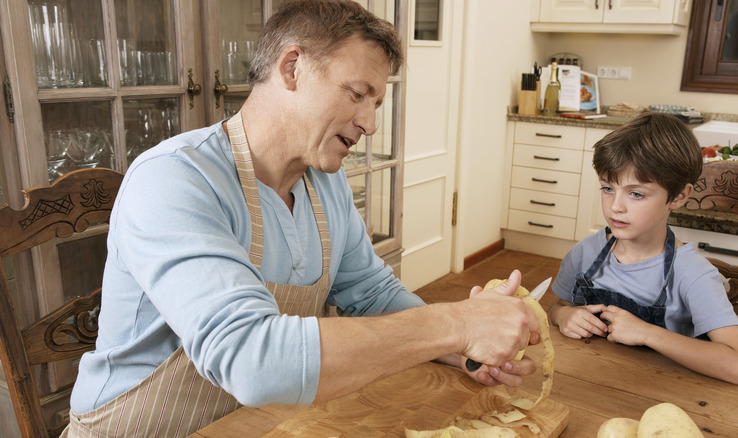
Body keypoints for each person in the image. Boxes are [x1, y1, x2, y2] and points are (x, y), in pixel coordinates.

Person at [63, 1, 540, 436]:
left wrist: (465, 350)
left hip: (260, 425)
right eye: (358, 94)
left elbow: (372, 294)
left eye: (377, 102)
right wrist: (454, 323)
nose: (371, 124)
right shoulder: (173, 178)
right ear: (292, 68)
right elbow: (252, 359)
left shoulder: (324, 185)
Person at [548, 112, 738, 386]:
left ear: (679, 196)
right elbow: (557, 307)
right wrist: (563, 315)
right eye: (608, 188)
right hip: (590, 382)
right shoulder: (585, 252)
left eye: (636, 194)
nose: (615, 206)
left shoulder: (693, 274)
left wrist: (646, 333)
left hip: (661, 392)